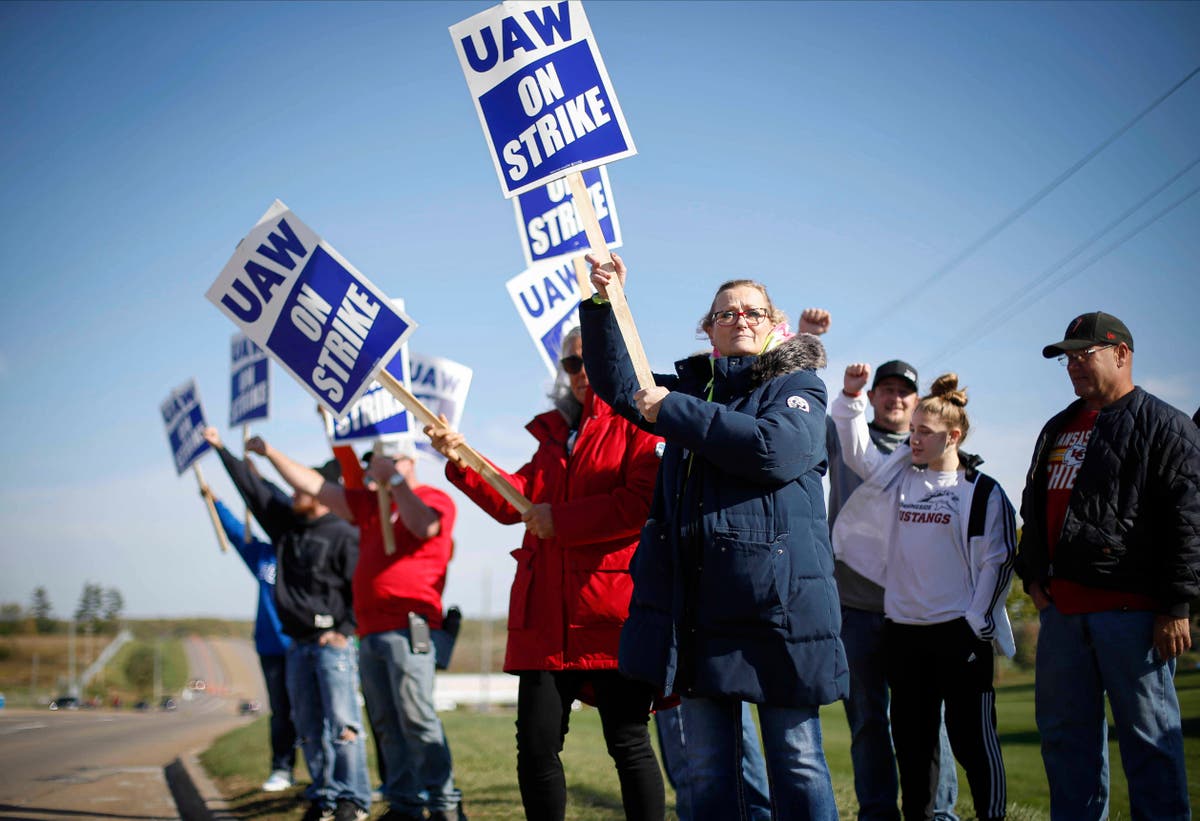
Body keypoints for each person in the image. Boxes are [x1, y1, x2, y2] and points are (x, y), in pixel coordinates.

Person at [581, 253, 846, 821]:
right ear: (708, 329)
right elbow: (621, 384)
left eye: (753, 311)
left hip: (779, 612)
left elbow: (773, 450)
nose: (740, 320)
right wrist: (606, 304)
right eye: (725, 314)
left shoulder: (800, 386)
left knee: (796, 763)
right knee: (706, 770)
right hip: (700, 611)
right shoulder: (694, 389)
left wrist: (674, 409)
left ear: (776, 325)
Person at [426, 325, 665, 821]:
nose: (580, 374)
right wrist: (461, 458)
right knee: (535, 747)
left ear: (614, 360)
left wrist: (560, 519)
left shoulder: (640, 423)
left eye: (589, 361)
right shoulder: (556, 433)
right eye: (571, 365)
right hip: (545, 616)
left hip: (608, 614)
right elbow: (517, 498)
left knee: (627, 741)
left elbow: (638, 504)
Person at [1014, 311, 1200, 820]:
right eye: (1067, 358)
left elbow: (1188, 522)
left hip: (1133, 616)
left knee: (1150, 745)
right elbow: (1033, 505)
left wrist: (1175, 606)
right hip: (1062, 615)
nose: (1073, 366)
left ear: (1121, 353)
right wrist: (1032, 577)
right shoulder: (1059, 425)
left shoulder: (1166, 425)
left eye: (1084, 354)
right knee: (1065, 745)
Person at [831, 367, 1015, 821]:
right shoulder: (899, 482)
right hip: (903, 633)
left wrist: (976, 624)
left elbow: (997, 562)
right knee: (914, 746)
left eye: (924, 433)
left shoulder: (982, 491)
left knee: (972, 740)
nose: (912, 440)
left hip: (959, 633)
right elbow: (856, 449)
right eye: (912, 431)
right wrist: (853, 398)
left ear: (952, 436)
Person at [254, 436, 466, 821]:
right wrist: (271, 453)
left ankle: (445, 804)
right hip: (370, 630)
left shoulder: (434, 499)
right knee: (386, 723)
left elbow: (426, 527)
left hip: (409, 625)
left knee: (416, 718)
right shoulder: (371, 506)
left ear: (408, 463)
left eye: (384, 463)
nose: (373, 471)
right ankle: (405, 805)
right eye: (373, 465)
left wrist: (397, 484)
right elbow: (315, 486)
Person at [203, 428, 370, 821]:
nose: (292, 494)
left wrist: (344, 632)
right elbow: (254, 490)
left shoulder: (346, 535)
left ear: (324, 494)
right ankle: (324, 796)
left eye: (301, 489)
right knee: (308, 728)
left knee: (343, 727)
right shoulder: (286, 526)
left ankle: (353, 799)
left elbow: (362, 591)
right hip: (296, 645)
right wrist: (221, 449)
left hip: (333, 649)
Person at [824, 356, 959, 821]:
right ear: (874, 395)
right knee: (867, 721)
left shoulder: (932, 452)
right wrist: (848, 393)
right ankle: (878, 812)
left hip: (915, 611)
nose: (895, 397)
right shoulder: (849, 437)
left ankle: (937, 812)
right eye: (887, 389)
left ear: (917, 401)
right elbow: (847, 423)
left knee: (929, 717)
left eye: (905, 391)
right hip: (854, 605)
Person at [198, 475, 297, 794]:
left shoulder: (307, 549)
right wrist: (215, 501)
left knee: (310, 711)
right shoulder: (264, 555)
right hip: (271, 646)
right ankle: (282, 768)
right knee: (281, 711)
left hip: (303, 644)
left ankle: (324, 774)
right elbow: (237, 533)